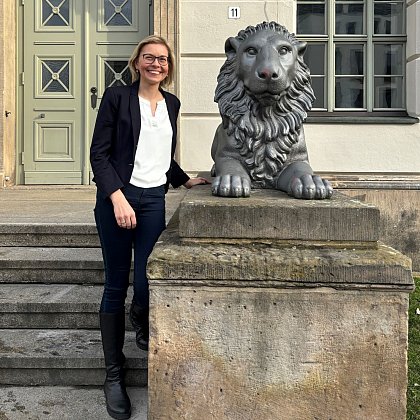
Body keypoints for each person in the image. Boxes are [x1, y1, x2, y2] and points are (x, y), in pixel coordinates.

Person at [90, 35, 209, 420]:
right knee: (115, 284)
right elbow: (100, 154)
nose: (156, 64)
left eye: (163, 59)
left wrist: (186, 179)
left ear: (168, 67)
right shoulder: (117, 98)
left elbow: (162, 154)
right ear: (137, 63)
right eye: (149, 58)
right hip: (118, 203)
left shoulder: (172, 104)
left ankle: (140, 318)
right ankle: (113, 374)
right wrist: (117, 197)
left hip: (154, 199)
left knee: (145, 281)